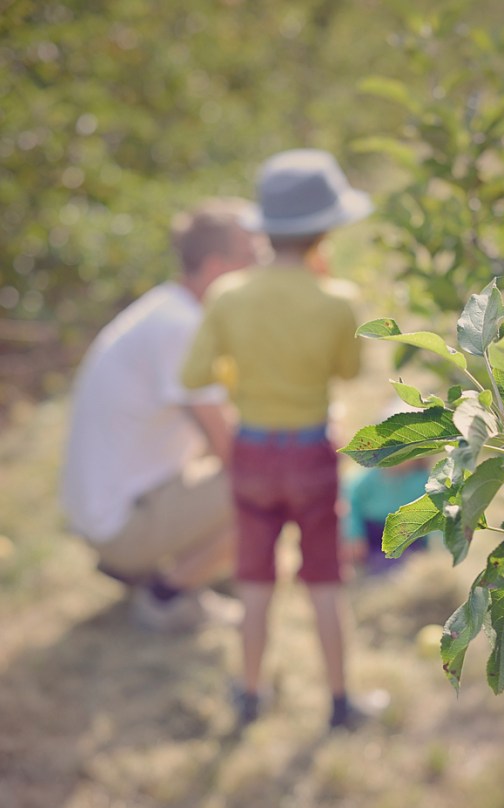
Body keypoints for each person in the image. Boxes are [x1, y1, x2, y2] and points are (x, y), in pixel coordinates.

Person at [181, 149, 380, 729]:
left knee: (254, 582)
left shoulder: (228, 295)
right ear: (326, 231)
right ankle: (340, 702)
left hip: (251, 452)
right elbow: (349, 371)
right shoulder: (337, 300)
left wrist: (241, 377)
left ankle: (250, 694)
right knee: (324, 581)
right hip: (312, 452)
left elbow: (193, 375)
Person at [60, 199, 257, 632]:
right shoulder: (182, 328)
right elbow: (227, 445)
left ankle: (174, 566)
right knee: (273, 483)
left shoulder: (169, 309)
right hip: (120, 524)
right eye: (250, 256)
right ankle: (165, 595)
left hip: (111, 508)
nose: (259, 268)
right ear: (216, 266)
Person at [341, 459, 431, 576]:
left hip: (408, 531)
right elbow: (352, 506)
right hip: (375, 532)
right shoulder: (367, 478)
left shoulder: (422, 479)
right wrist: (355, 535)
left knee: (408, 569)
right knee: (379, 571)